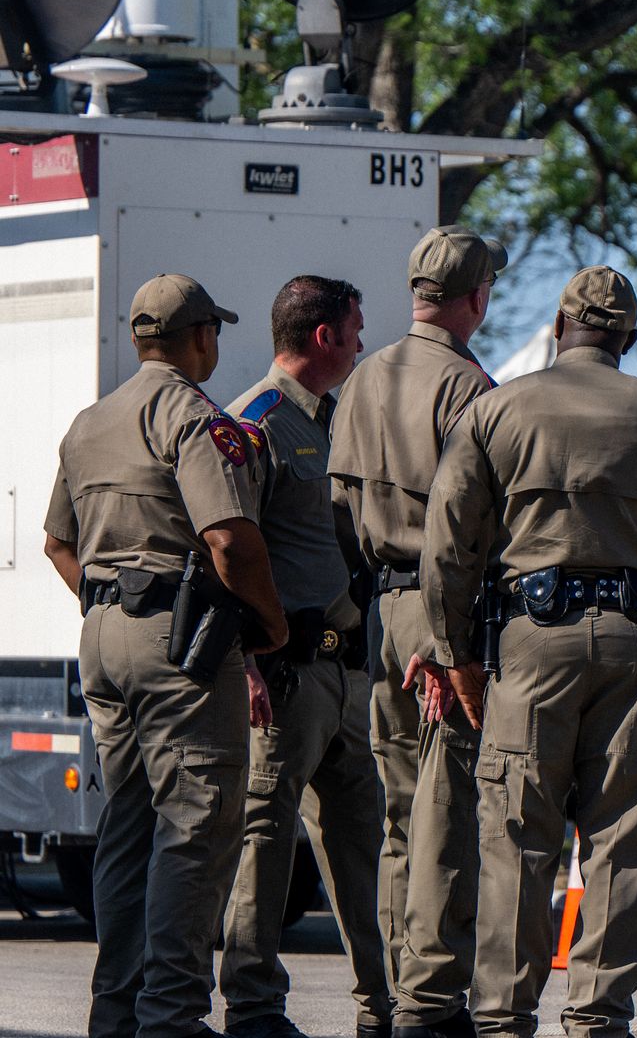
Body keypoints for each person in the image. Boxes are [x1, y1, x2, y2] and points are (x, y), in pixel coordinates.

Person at [408, 265, 637, 1036]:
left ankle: (502, 1020)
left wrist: (456, 652)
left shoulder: (497, 410)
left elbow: (448, 547)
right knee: (622, 835)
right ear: (628, 338)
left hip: (531, 639)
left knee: (519, 833)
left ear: (560, 328)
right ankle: (598, 1019)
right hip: (634, 638)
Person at [43, 273, 289, 1038]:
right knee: (198, 823)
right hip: (177, 646)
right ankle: (172, 1017)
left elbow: (57, 543)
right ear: (201, 338)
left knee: (130, 825)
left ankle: (117, 1011)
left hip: (103, 635)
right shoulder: (191, 414)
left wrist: (116, 604)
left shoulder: (90, 422)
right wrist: (269, 625)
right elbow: (227, 537)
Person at [329, 225, 505, 1038]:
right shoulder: (466, 385)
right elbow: (465, 527)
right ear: (474, 298)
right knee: (447, 811)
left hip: (382, 608)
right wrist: (450, 639)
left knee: (402, 815)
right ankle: (432, 1004)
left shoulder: (363, 377)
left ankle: (397, 995)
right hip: (442, 611)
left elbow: (335, 511)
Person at [219, 276, 392, 1038]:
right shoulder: (253, 424)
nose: (362, 340)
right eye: (354, 328)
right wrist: (245, 663)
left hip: (346, 672)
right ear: (323, 336)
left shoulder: (334, 422)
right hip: (285, 678)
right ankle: (255, 1008)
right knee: (264, 844)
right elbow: (221, 547)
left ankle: (385, 1007)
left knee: (364, 844)